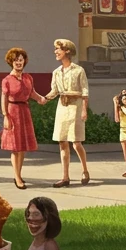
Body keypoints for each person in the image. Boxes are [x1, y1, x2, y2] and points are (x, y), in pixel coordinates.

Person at [44, 39, 91, 188]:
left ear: (67, 51)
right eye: (55, 49)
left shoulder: (78, 70)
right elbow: (54, 90)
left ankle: (85, 170)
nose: (56, 52)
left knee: (76, 143)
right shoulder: (56, 72)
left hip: (75, 106)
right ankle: (65, 177)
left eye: (58, 49)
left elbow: (85, 91)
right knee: (62, 142)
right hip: (62, 107)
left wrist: (84, 109)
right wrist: (44, 98)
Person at [1, 48, 47, 190]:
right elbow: (4, 99)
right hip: (12, 111)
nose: (18, 62)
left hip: (24, 111)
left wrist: (40, 98)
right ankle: (17, 177)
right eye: (15, 60)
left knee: (22, 148)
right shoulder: (7, 80)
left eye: (21, 60)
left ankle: (19, 174)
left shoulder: (28, 78)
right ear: (11, 62)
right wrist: (5, 116)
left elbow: (31, 92)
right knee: (15, 148)